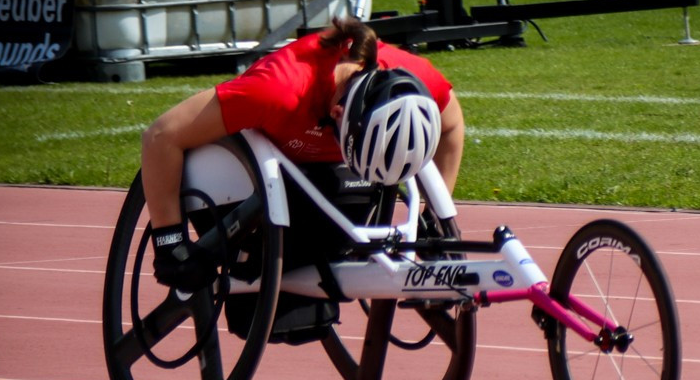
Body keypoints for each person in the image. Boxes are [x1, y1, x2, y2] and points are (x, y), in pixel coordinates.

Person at [141, 16, 466, 291]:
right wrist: (170, 243)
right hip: (257, 179)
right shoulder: (277, 89)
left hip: (336, 186)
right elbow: (160, 137)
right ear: (338, 115)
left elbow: (451, 123)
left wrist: (431, 215)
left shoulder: (415, 77)